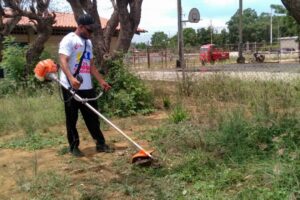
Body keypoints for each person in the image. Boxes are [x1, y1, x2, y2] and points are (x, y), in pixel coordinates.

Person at [59, 13, 113, 157]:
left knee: (93, 117)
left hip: (87, 87)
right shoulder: (69, 39)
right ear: (80, 27)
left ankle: (100, 143)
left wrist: (101, 81)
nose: (91, 33)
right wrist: (71, 78)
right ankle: (73, 146)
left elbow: (90, 66)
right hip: (70, 87)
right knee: (72, 119)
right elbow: (63, 60)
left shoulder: (88, 43)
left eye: (92, 31)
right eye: (89, 30)